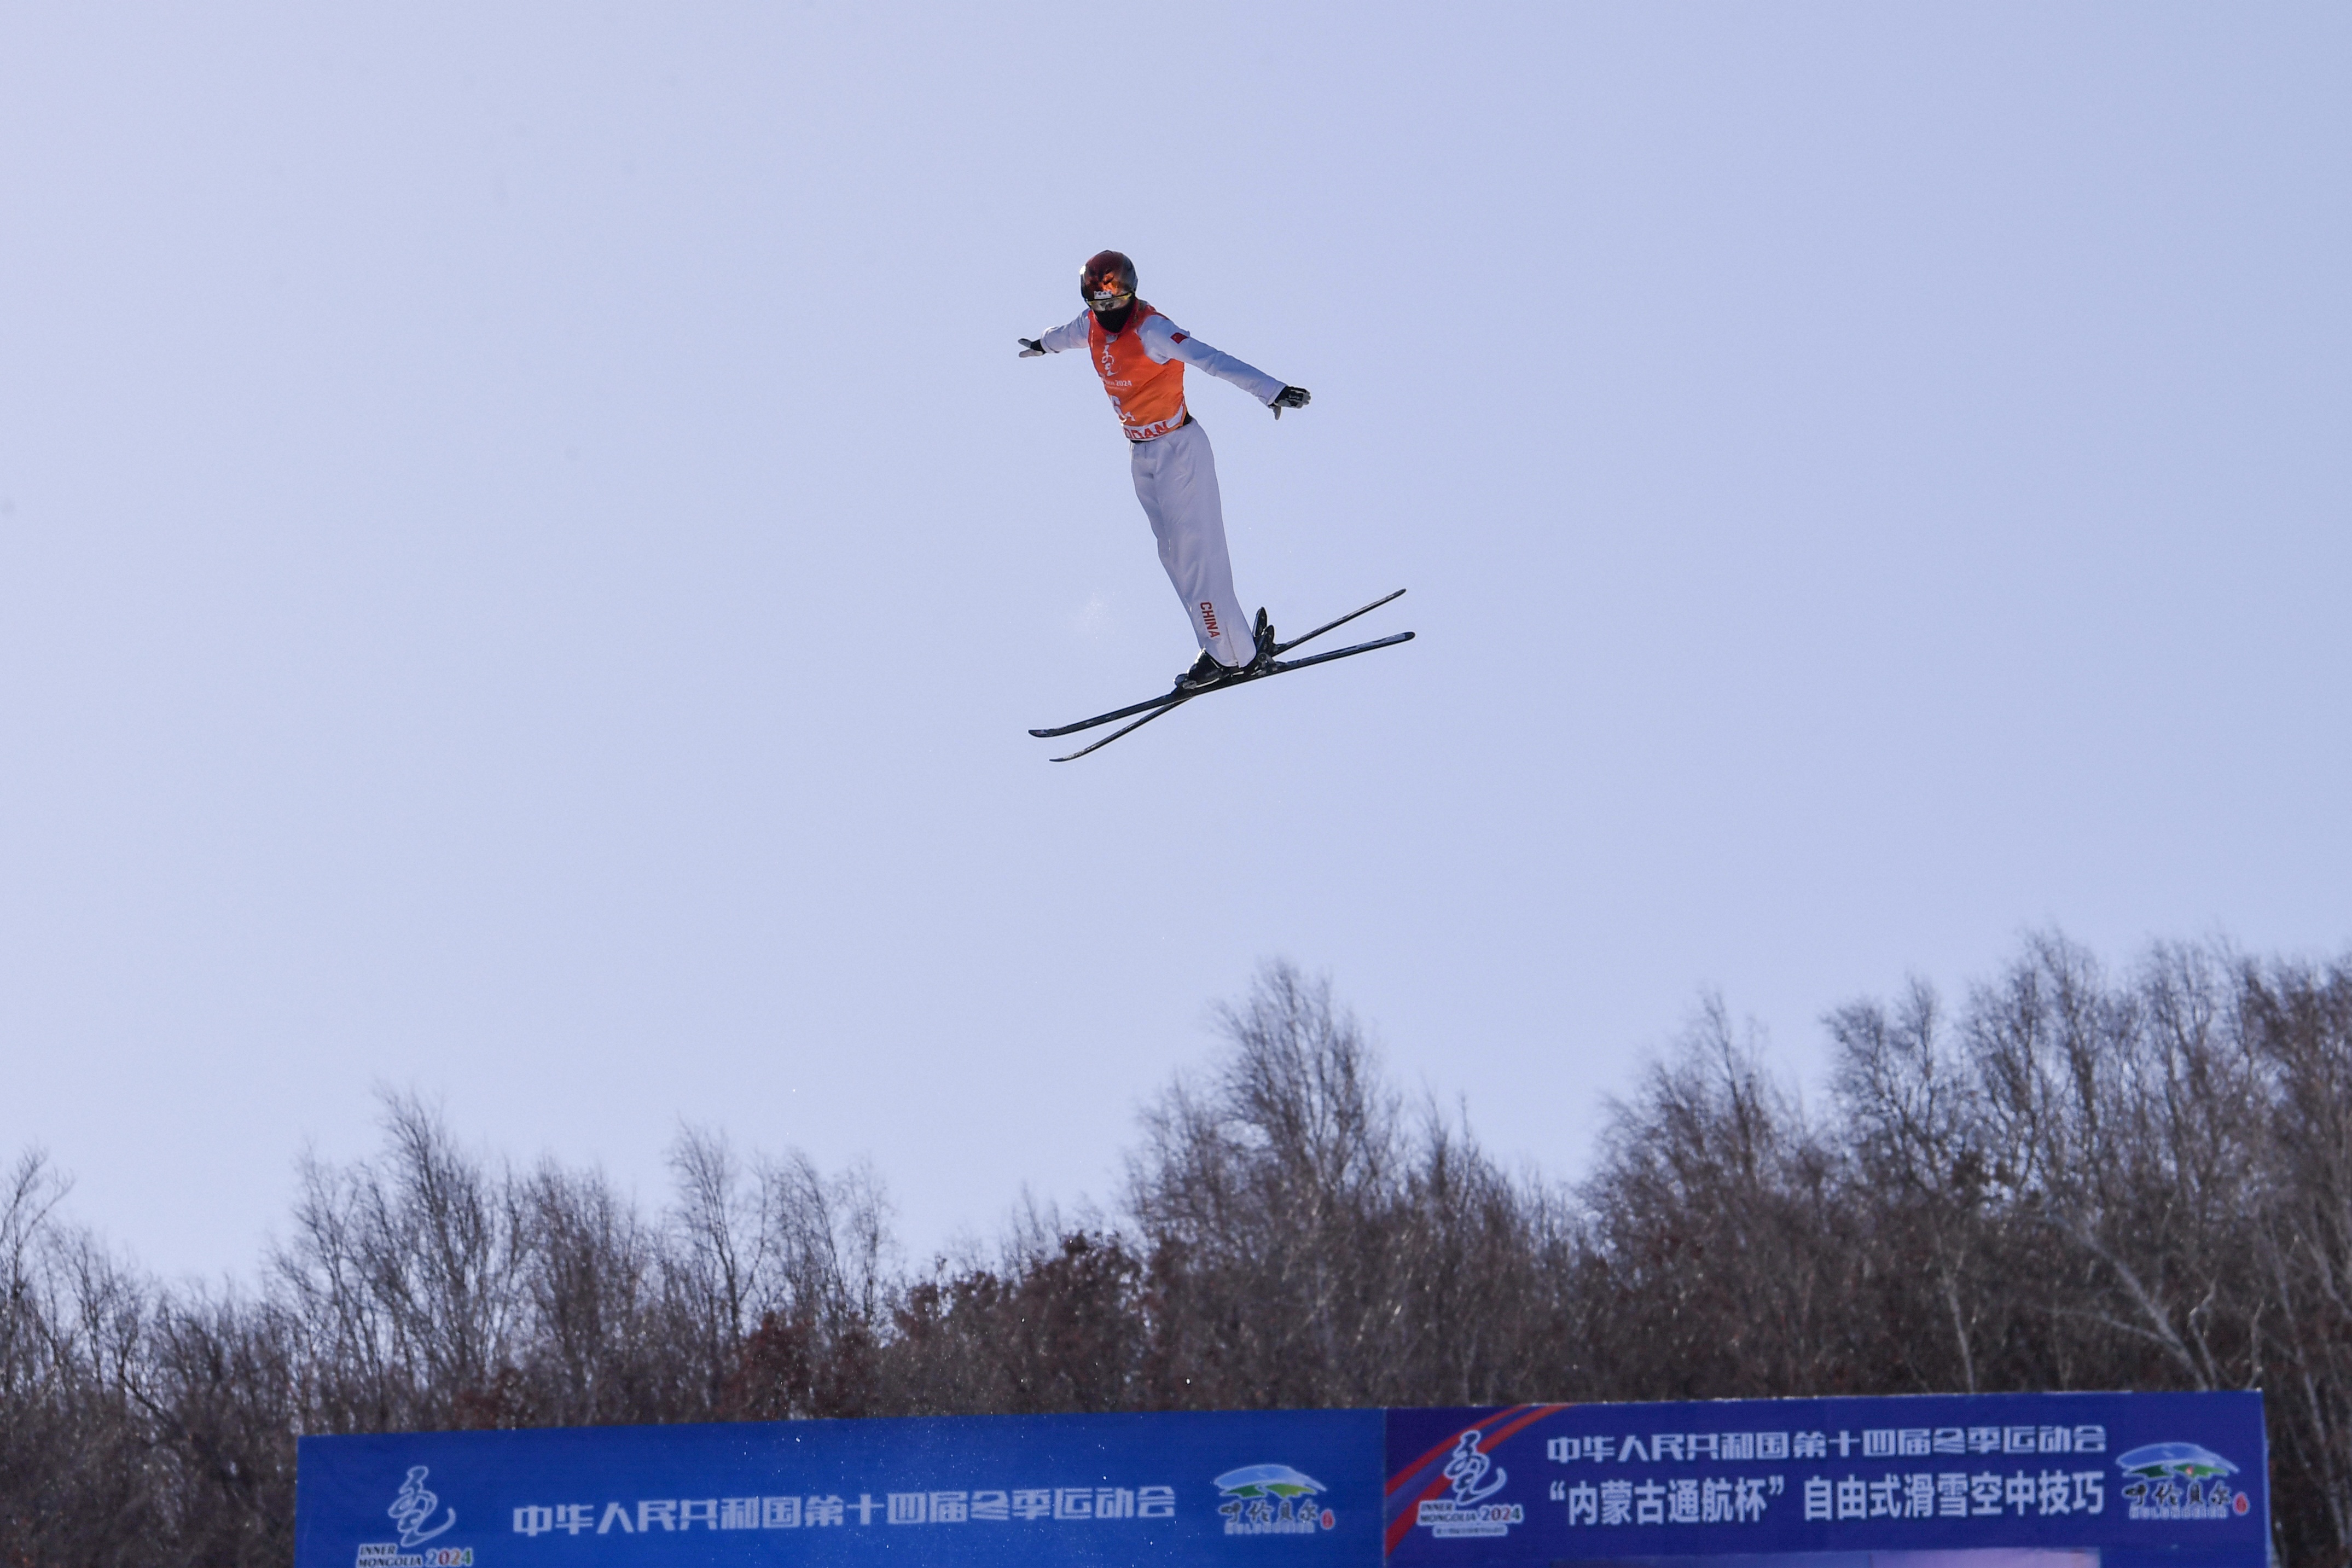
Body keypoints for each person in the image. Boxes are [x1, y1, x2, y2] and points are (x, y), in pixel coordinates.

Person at [1020, 251, 1311, 690]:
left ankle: (1236, 655)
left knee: (1198, 554)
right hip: (1141, 453)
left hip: (1179, 449)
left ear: (1131, 293)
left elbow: (1210, 359)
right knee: (1173, 555)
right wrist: (1043, 344)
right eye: (1098, 304)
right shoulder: (1092, 324)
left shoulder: (1152, 329)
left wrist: (1270, 391)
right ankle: (1220, 647)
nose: (1107, 312)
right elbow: (1067, 334)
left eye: (1115, 302)